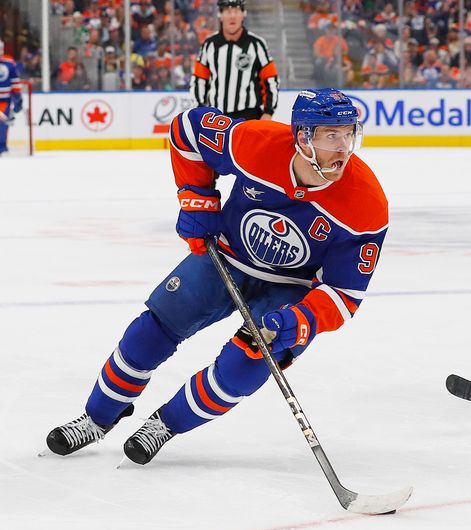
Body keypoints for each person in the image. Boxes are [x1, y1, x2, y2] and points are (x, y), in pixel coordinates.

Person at [45, 88, 388, 464]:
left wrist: (301, 319)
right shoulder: (256, 143)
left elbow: (343, 294)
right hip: (226, 256)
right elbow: (188, 130)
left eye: (349, 134)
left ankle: (165, 424)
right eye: (330, 135)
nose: (343, 148)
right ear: (302, 136)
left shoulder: (365, 204)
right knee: (150, 333)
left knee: (245, 365)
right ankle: (96, 419)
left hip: (291, 287)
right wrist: (197, 196)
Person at [191, 0, 279, 121]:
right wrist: (199, 109)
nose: (232, 16)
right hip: (217, 117)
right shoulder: (209, 44)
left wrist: (268, 112)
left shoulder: (257, 44)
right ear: (220, 15)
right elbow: (199, 80)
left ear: (243, 14)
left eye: (236, 11)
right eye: (227, 11)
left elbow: (271, 80)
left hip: (250, 116)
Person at [0, 39, 23, 156]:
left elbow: (15, 81)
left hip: (4, 100)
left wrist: (18, 97)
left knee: (3, 125)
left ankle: (2, 147)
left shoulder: (9, 63)